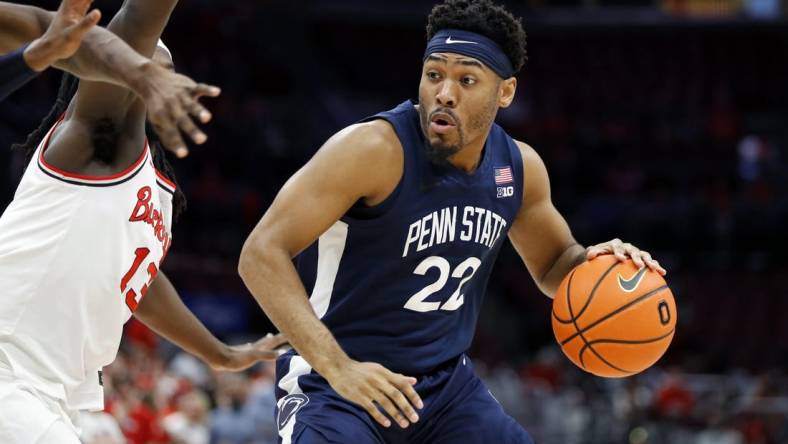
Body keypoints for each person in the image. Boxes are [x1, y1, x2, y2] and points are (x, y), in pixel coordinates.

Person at [238, 0, 666, 443]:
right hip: (338, 386)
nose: (444, 93)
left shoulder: (518, 168)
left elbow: (556, 264)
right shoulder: (372, 150)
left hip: (444, 392)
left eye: (466, 79)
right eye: (434, 74)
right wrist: (337, 366)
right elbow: (259, 254)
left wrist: (601, 266)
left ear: (505, 92)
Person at [0, 1, 284, 443]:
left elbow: (139, 284)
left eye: (156, 62)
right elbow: (137, 18)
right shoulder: (92, 142)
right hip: (10, 368)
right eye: (131, 59)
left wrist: (221, 354)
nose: (141, 68)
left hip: (50, 389)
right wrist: (137, 54)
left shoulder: (153, 195)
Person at [1, 0, 219, 153]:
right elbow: (137, 22)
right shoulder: (97, 138)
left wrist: (37, 55)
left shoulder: (158, 191)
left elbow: (57, 37)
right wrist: (144, 73)